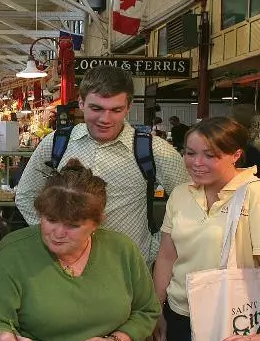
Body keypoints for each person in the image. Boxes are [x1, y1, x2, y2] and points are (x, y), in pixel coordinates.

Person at [0, 159, 160, 341]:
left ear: (96, 223)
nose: (58, 233)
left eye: (72, 226)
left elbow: (146, 310)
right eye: (51, 220)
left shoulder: (122, 249)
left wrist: (119, 340)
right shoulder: (13, 253)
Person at [15, 65, 189, 263]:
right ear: (81, 103)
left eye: (116, 110)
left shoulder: (152, 149)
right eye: (96, 108)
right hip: (65, 268)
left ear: (128, 107)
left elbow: (189, 204)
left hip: (126, 271)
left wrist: (154, 247)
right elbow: (25, 194)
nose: (105, 119)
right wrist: (54, 236)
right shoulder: (57, 142)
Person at [152, 117, 260, 341]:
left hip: (235, 316)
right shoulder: (180, 194)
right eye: (190, 153)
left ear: (236, 155)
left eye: (210, 155)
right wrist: (156, 309)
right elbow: (167, 255)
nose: (197, 163)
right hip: (179, 313)